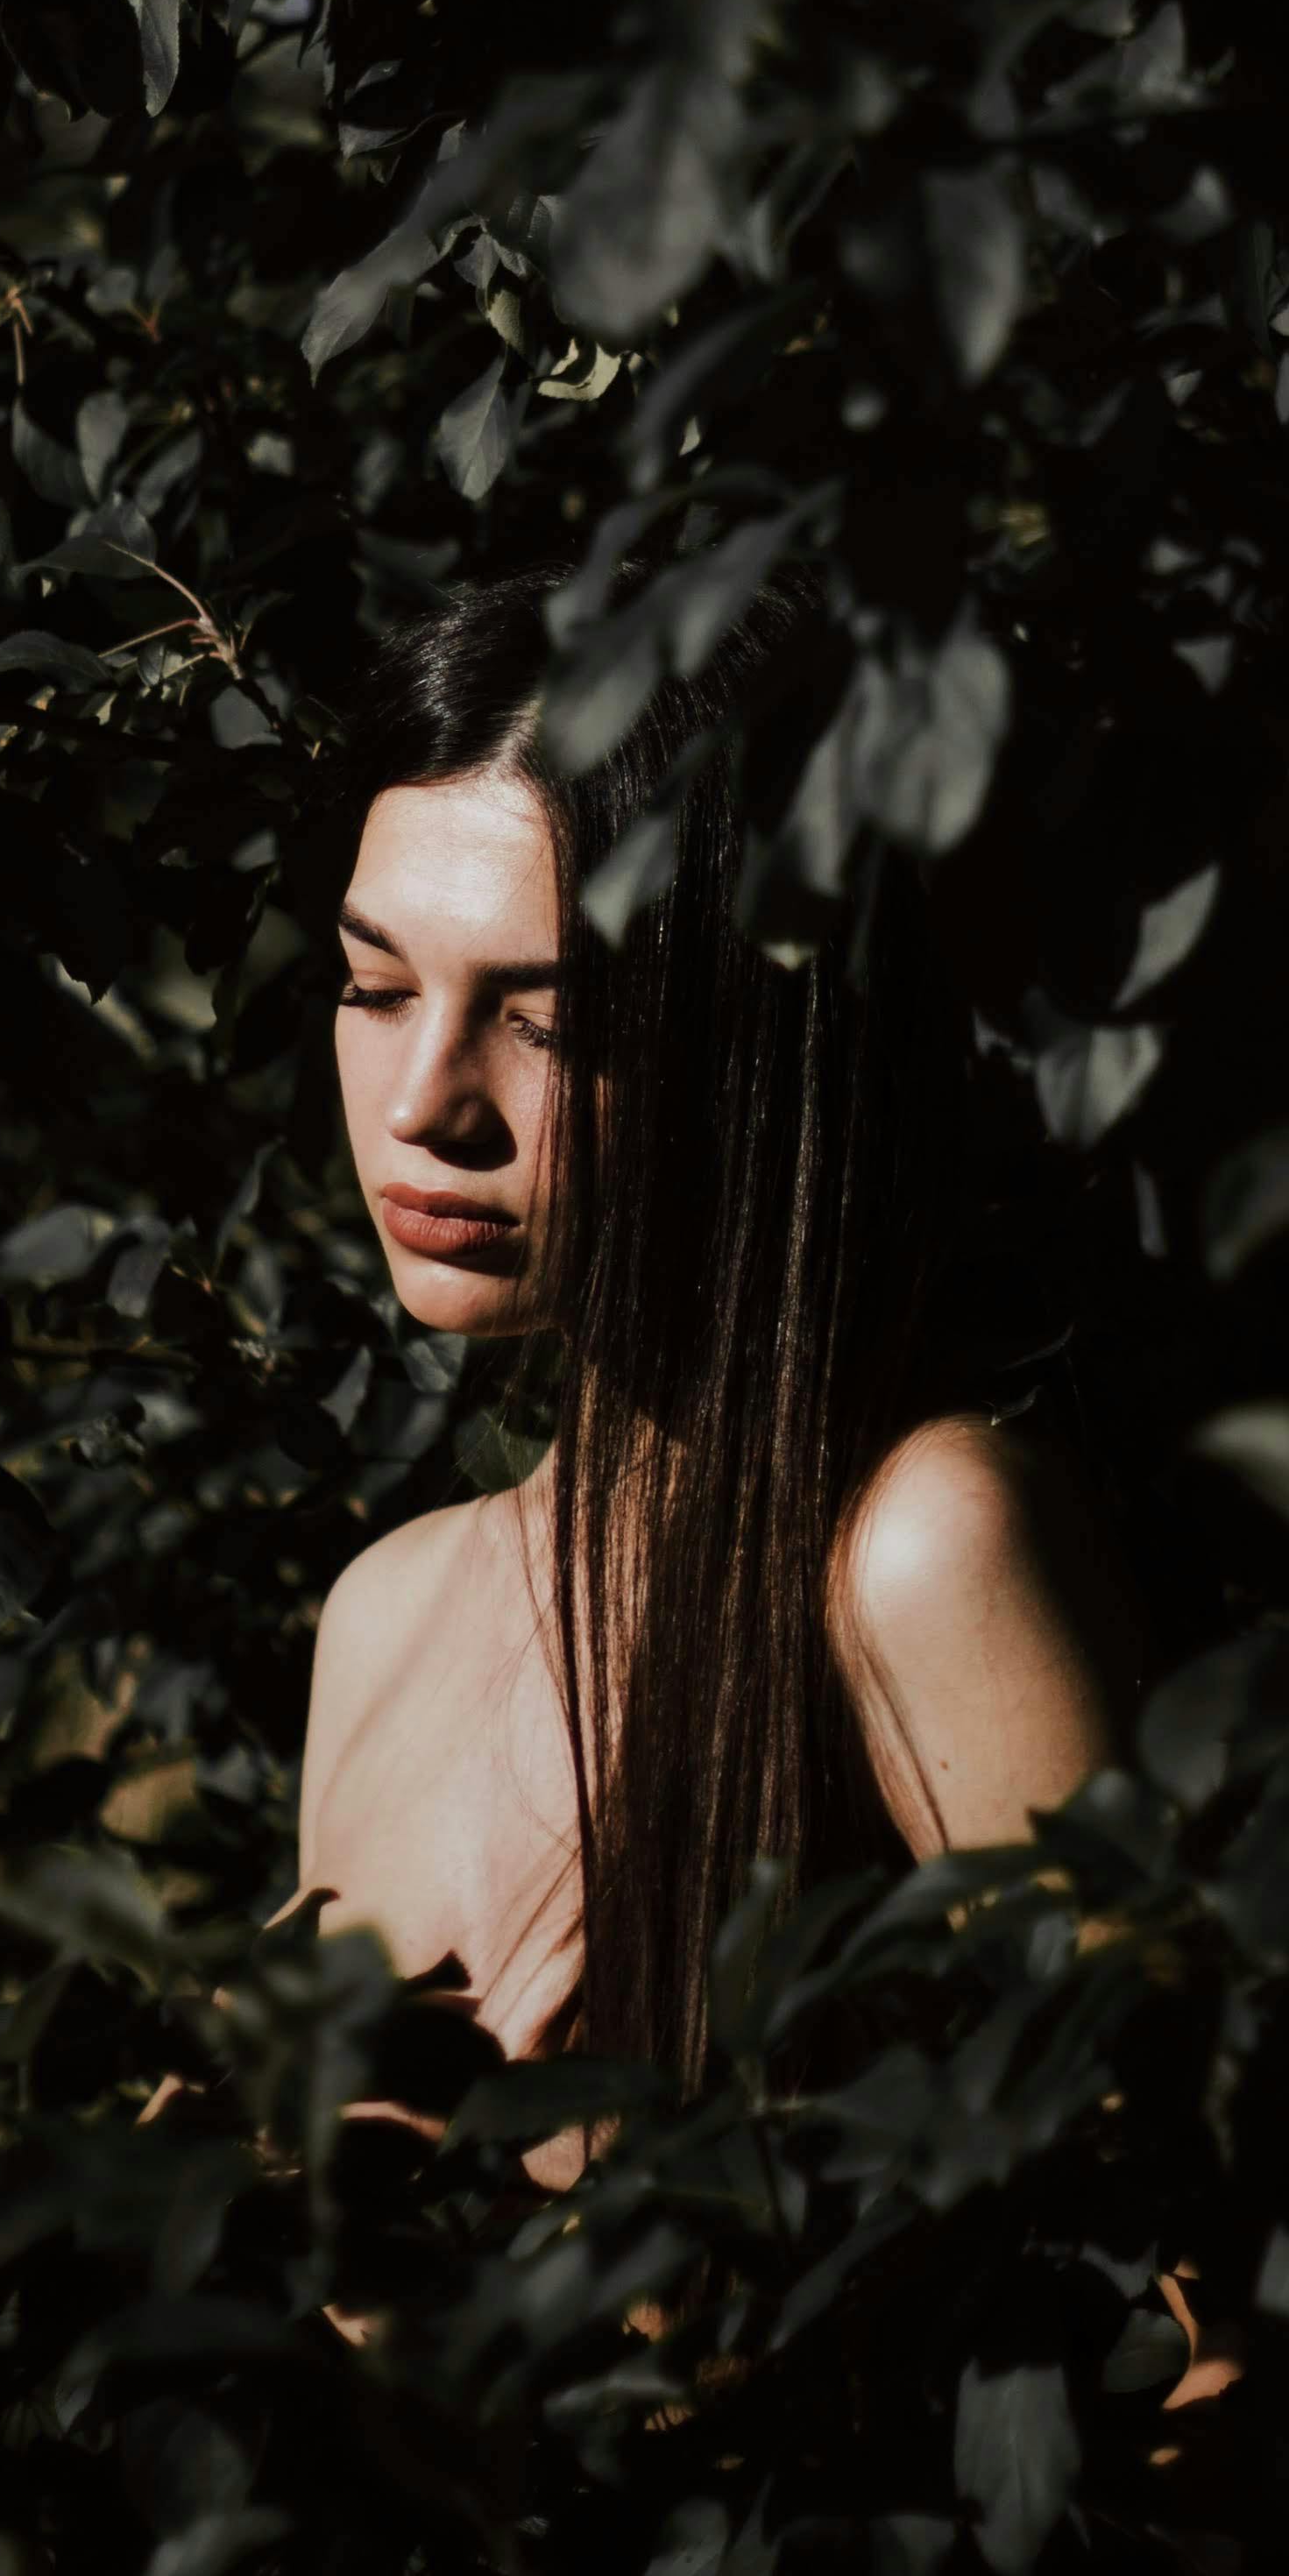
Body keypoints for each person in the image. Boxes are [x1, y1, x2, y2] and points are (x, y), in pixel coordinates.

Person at [294, 563, 1140, 2127]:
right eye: (373, 984)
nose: (423, 1105)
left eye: (551, 1021)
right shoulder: (379, 1622)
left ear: (761, 1038)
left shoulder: (911, 1553)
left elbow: (1227, 2314)